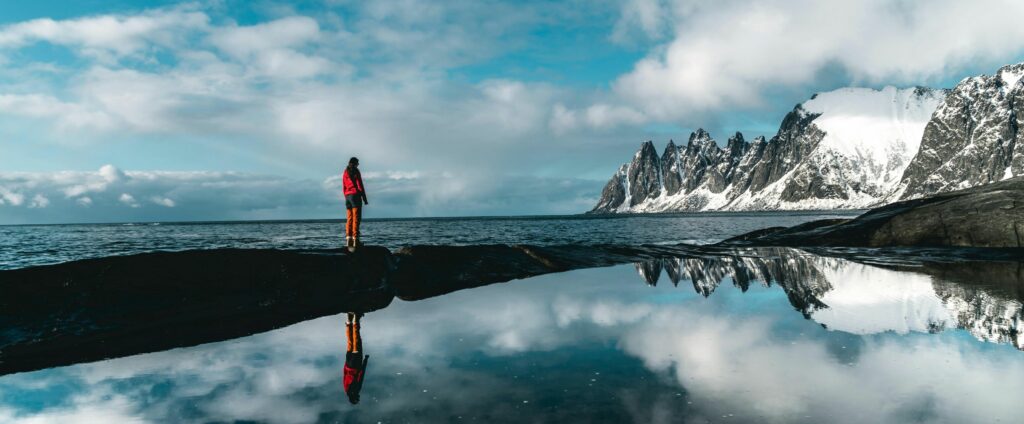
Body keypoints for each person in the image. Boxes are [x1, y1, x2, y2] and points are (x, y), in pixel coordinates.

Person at [343, 312, 369, 404]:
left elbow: (361, 375)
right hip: (348, 362)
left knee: (356, 341)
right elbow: (344, 374)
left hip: (355, 364)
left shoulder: (356, 389)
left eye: (357, 398)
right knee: (350, 342)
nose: (359, 396)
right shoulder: (346, 389)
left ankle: (355, 320)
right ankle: (349, 320)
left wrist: (365, 360)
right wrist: (346, 364)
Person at [343, 157, 368, 247]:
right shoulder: (356, 171)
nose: (358, 165)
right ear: (354, 163)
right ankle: (355, 240)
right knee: (356, 219)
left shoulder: (345, 172)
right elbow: (360, 185)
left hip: (348, 197)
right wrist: (364, 199)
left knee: (349, 218)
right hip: (355, 196)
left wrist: (346, 196)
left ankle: (348, 240)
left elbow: (344, 186)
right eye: (357, 163)